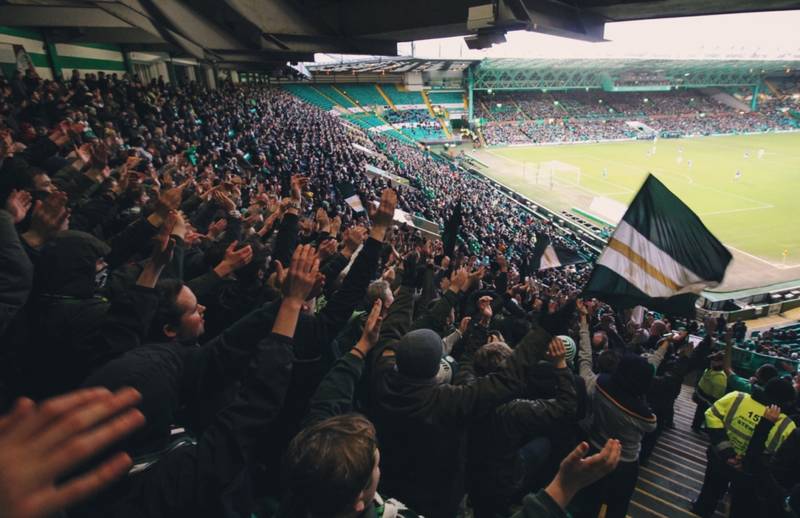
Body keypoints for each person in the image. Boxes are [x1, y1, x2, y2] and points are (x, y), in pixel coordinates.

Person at [692, 377, 797, 518]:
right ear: (786, 401)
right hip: (749, 473)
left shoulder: (737, 397)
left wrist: (727, 452)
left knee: (711, 488)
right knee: (740, 502)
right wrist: (746, 463)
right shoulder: (787, 425)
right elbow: (778, 456)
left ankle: (702, 510)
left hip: (719, 459)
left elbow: (711, 414)